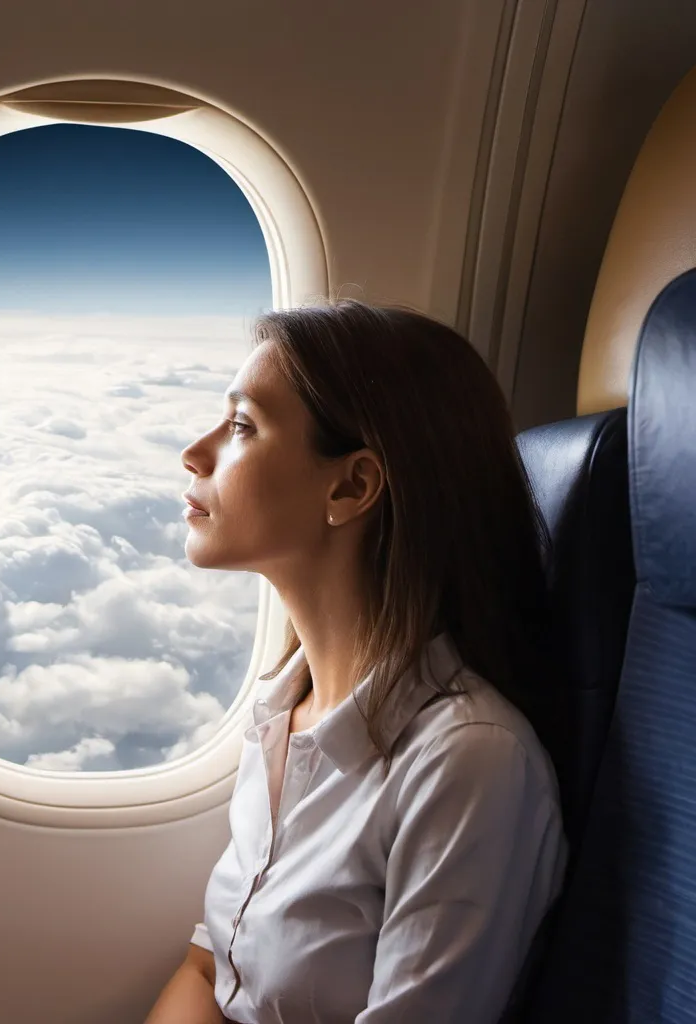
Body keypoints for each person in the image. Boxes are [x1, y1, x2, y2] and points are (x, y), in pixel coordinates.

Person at [144, 300, 568, 1024]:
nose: (196, 451)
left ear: (351, 487)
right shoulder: (285, 711)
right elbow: (211, 964)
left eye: (243, 425)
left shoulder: (468, 762)